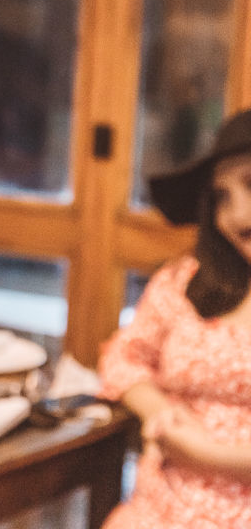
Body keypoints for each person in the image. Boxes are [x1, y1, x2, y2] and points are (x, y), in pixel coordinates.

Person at [97, 107, 251, 528]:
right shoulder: (185, 280)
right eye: (221, 196)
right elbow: (124, 357)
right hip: (158, 506)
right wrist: (159, 411)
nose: (236, 216)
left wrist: (203, 453)